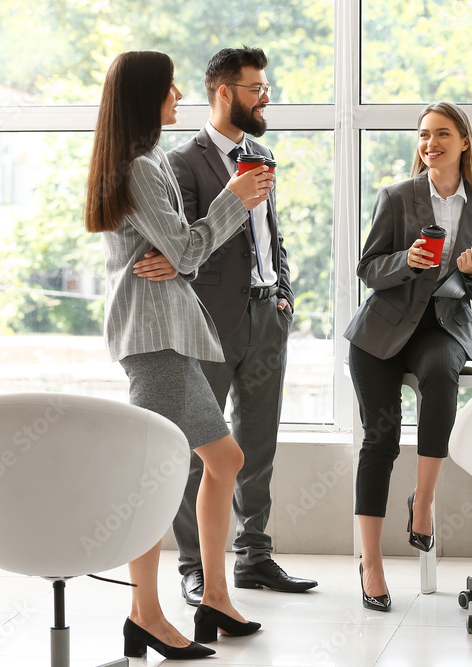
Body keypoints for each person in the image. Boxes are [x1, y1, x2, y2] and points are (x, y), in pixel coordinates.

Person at [85, 50, 273, 658]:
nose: (179, 95)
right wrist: (234, 199)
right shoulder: (142, 169)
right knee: (158, 475)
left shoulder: (148, 164)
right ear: (146, 98)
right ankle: (145, 613)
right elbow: (189, 252)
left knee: (224, 461)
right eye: (169, 88)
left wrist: (183, 252)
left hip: (172, 336)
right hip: (154, 340)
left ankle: (213, 596)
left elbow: (182, 253)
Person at [159, 46, 317, 602]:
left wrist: (284, 294)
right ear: (225, 93)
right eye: (256, 88)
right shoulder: (182, 162)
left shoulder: (263, 154)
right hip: (210, 321)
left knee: (258, 441)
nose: (266, 96)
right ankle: (193, 565)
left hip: (266, 315)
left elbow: (272, 235)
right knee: (202, 446)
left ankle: (255, 555)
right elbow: (184, 245)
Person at [343, 101, 472, 610]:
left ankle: (424, 503)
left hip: (442, 326)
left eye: (441, 134)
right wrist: (407, 261)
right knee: (381, 438)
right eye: (423, 135)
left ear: (463, 142)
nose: (430, 144)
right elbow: (367, 268)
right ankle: (371, 563)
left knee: (440, 377)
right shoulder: (395, 197)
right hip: (383, 329)